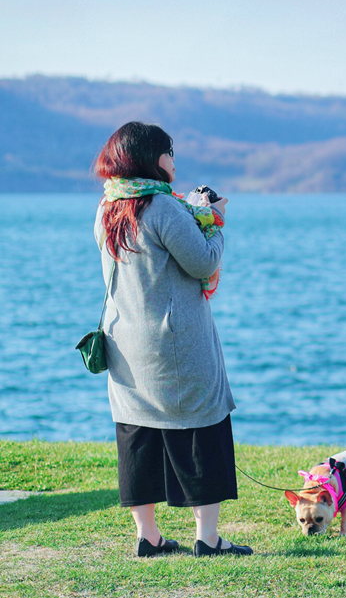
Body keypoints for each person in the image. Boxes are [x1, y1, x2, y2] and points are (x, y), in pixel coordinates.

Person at [93, 122, 252, 557]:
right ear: (150, 157)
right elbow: (202, 263)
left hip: (125, 343)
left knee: (137, 434)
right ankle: (209, 538)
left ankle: (148, 536)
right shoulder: (163, 210)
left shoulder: (107, 207)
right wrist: (215, 222)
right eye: (169, 152)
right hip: (175, 344)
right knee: (202, 428)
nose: (175, 161)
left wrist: (191, 212)